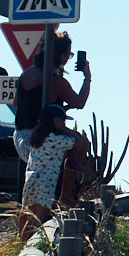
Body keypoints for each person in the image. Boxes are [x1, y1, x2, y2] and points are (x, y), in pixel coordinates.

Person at [14, 30, 91, 203]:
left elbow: (16, 104)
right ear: (60, 55)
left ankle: (46, 199)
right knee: (81, 144)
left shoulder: (26, 74)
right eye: (68, 55)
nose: (67, 59)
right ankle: (65, 195)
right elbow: (79, 102)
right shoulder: (56, 82)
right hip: (39, 139)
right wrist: (87, 78)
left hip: (19, 136)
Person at [18, 103, 75, 240]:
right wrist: (64, 129)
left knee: (27, 214)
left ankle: (22, 244)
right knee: (40, 220)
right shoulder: (54, 139)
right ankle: (32, 247)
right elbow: (79, 141)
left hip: (31, 180)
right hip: (46, 182)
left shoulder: (36, 137)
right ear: (56, 121)